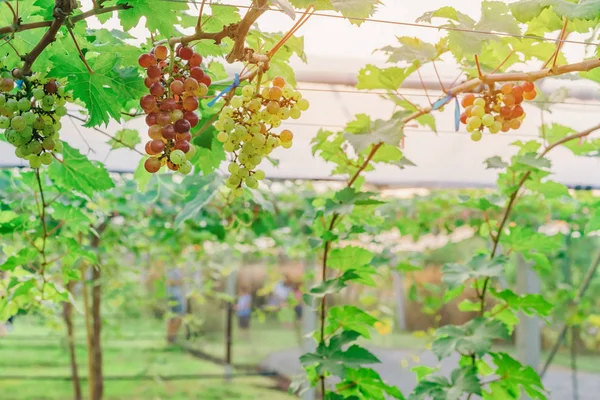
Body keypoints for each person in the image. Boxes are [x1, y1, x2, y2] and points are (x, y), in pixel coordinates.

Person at [166, 266, 186, 344]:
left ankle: (172, 336)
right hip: (174, 294)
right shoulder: (172, 266)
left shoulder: (179, 266)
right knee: (177, 315)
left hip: (178, 294)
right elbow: (168, 281)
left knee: (175, 316)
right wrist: (181, 282)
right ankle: (171, 336)